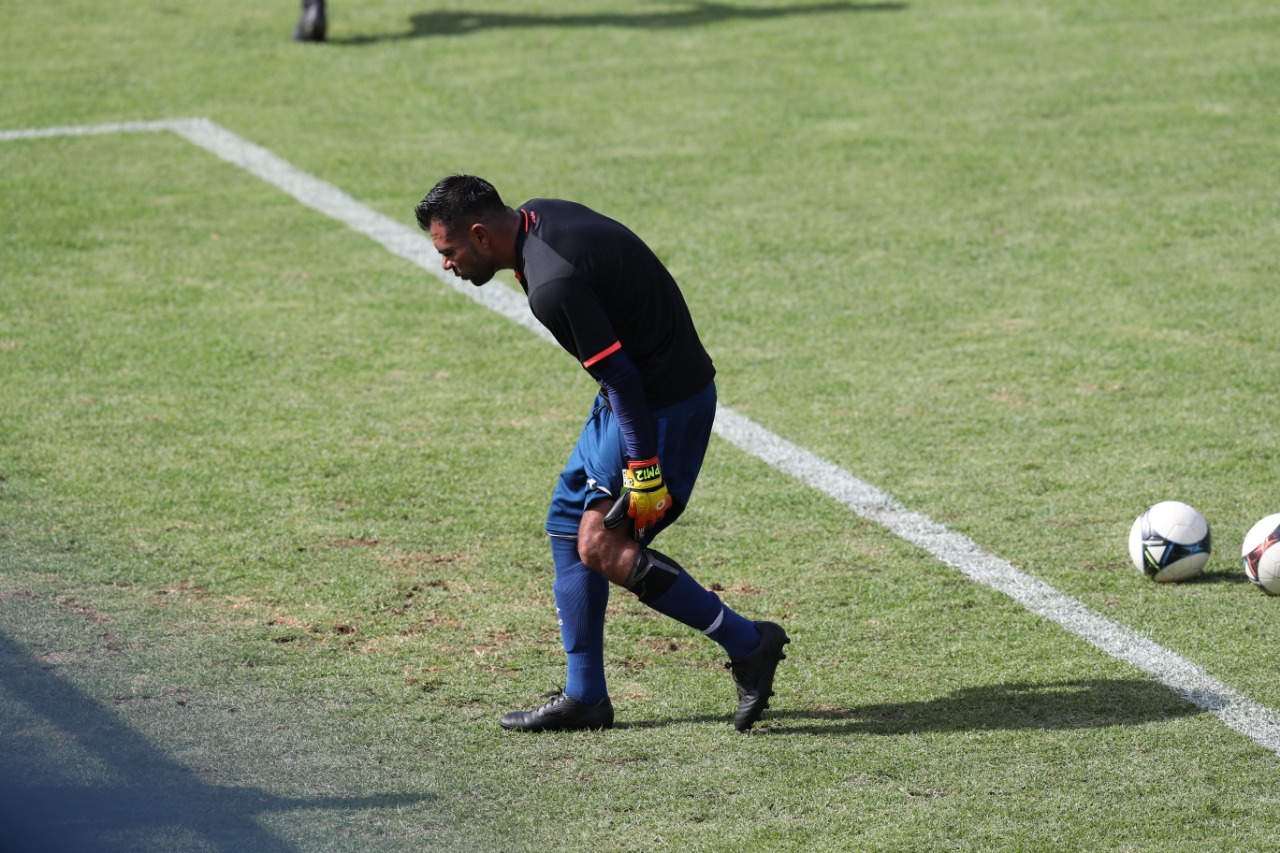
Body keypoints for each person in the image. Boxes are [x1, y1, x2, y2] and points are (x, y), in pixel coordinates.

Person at [414, 175, 790, 733]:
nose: (446, 264)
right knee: (568, 523)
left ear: (480, 235)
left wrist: (642, 467)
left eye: (448, 251)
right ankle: (586, 696)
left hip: (661, 405)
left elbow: (620, 373)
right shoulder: (538, 218)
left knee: (602, 547)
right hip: (634, 395)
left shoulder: (551, 285)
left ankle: (748, 642)